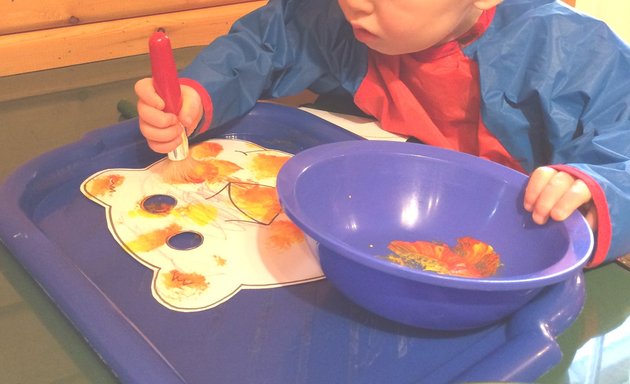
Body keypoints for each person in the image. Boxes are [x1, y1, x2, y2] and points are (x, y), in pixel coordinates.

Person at [134, 0, 630, 268]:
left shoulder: (572, 50)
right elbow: (270, 38)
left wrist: (591, 189)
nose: (353, 4)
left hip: (506, 245)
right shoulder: (341, 18)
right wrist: (198, 94)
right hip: (380, 215)